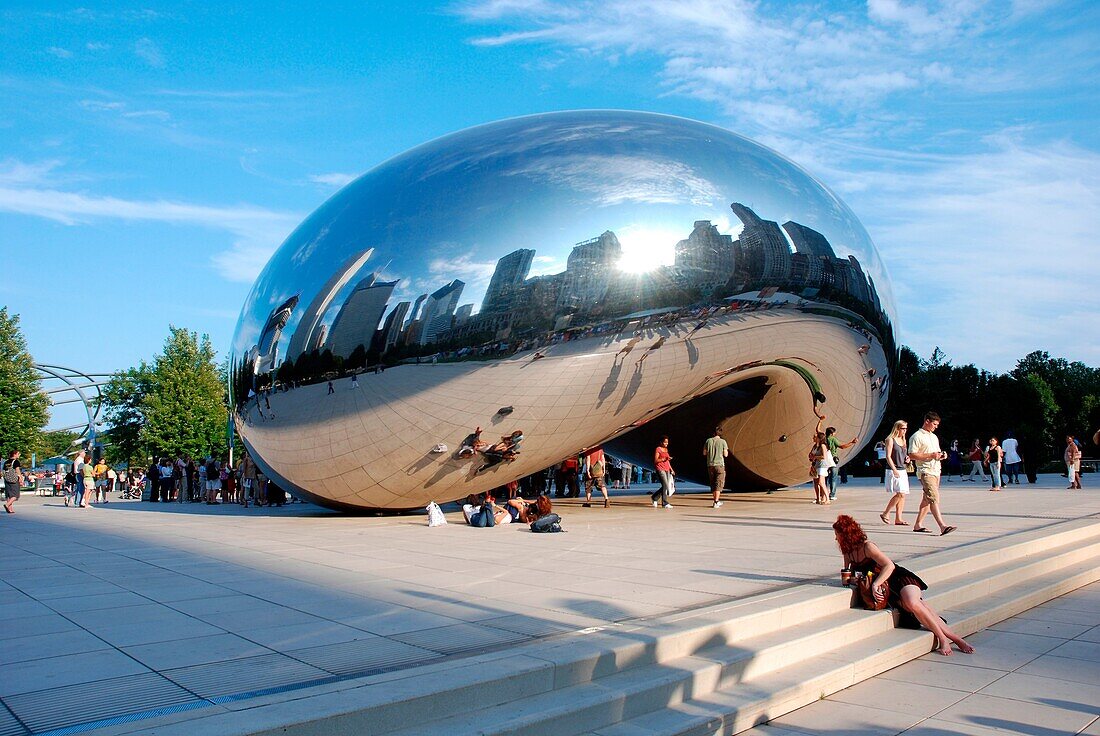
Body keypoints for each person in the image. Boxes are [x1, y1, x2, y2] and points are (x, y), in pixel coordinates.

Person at [833, 514, 974, 656]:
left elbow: (889, 565)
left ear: (847, 534)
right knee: (920, 606)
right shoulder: (847, 552)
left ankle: (944, 639)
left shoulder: (868, 547)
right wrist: (853, 580)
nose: (836, 538)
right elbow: (848, 574)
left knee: (912, 602)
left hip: (899, 578)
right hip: (889, 589)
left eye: (837, 534)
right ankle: (955, 639)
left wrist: (876, 583)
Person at [908, 411, 956, 535]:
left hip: (936, 470)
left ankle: (918, 524)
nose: (936, 427)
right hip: (925, 471)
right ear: (927, 421)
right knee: (933, 497)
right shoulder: (916, 436)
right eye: (934, 424)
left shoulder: (934, 437)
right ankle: (942, 526)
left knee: (927, 498)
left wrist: (941, 455)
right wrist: (931, 455)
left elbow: (936, 453)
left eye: (937, 425)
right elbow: (912, 455)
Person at [880, 420, 910, 526]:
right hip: (894, 469)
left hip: (903, 468)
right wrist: (894, 469)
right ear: (897, 428)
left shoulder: (903, 440)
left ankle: (898, 518)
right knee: (900, 493)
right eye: (903, 428)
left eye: (906, 428)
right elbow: (888, 456)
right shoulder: (890, 439)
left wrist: (907, 458)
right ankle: (885, 513)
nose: (905, 431)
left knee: (903, 494)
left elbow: (904, 453)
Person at [824, 427, 856, 501]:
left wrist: (820, 421)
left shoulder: (823, 439)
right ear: (832, 433)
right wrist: (852, 443)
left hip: (825, 459)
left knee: (824, 477)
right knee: (833, 478)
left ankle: (823, 493)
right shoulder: (833, 439)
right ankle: (832, 494)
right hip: (832, 459)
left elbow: (817, 430)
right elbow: (842, 446)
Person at [703, 427, 729, 508]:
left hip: (710, 465)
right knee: (719, 483)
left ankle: (715, 500)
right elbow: (725, 454)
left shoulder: (708, 441)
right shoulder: (723, 442)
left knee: (713, 483)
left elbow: (704, 453)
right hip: (719, 465)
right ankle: (716, 501)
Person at [651, 436, 675, 509]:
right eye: (665, 442)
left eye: (667, 442)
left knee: (666, 486)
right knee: (665, 485)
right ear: (661, 442)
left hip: (667, 468)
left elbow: (668, 461)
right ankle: (664, 503)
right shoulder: (658, 449)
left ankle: (654, 497)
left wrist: (671, 469)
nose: (666, 444)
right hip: (660, 468)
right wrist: (664, 459)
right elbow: (656, 460)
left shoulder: (666, 449)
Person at [3, 450, 22, 514]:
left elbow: (4, 471)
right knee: (16, 495)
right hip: (14, 479)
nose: (19, 455)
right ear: (14, 454)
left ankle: (10, 509)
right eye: (18, 454)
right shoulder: (16, 461)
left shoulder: (6, 462)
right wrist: (20, 478)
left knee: (9, 495)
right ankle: (7, 505)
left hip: (7, 479)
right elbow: (17, 471)